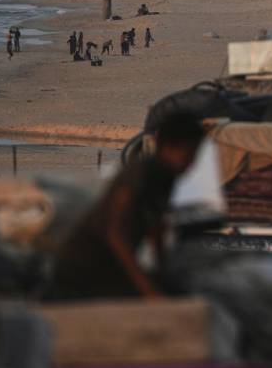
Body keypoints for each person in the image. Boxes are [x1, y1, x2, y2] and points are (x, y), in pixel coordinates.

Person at [48, 107, 206, 299]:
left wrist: (162, 272)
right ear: (167, 146)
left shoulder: (168, 177)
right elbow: (114, 233)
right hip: (85, 266)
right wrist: (146, 288)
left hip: (112, 267)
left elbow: (157, 226)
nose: (192, 164)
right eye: (189, 155)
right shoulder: (141, 172)